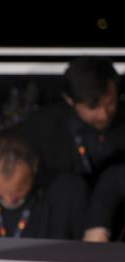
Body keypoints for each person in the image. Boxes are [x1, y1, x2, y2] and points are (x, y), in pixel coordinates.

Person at [19, 56, 125, 184]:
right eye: (93, 107)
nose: (104, 115)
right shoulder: (41, 130)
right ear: (69, 99)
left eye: (110, 103)